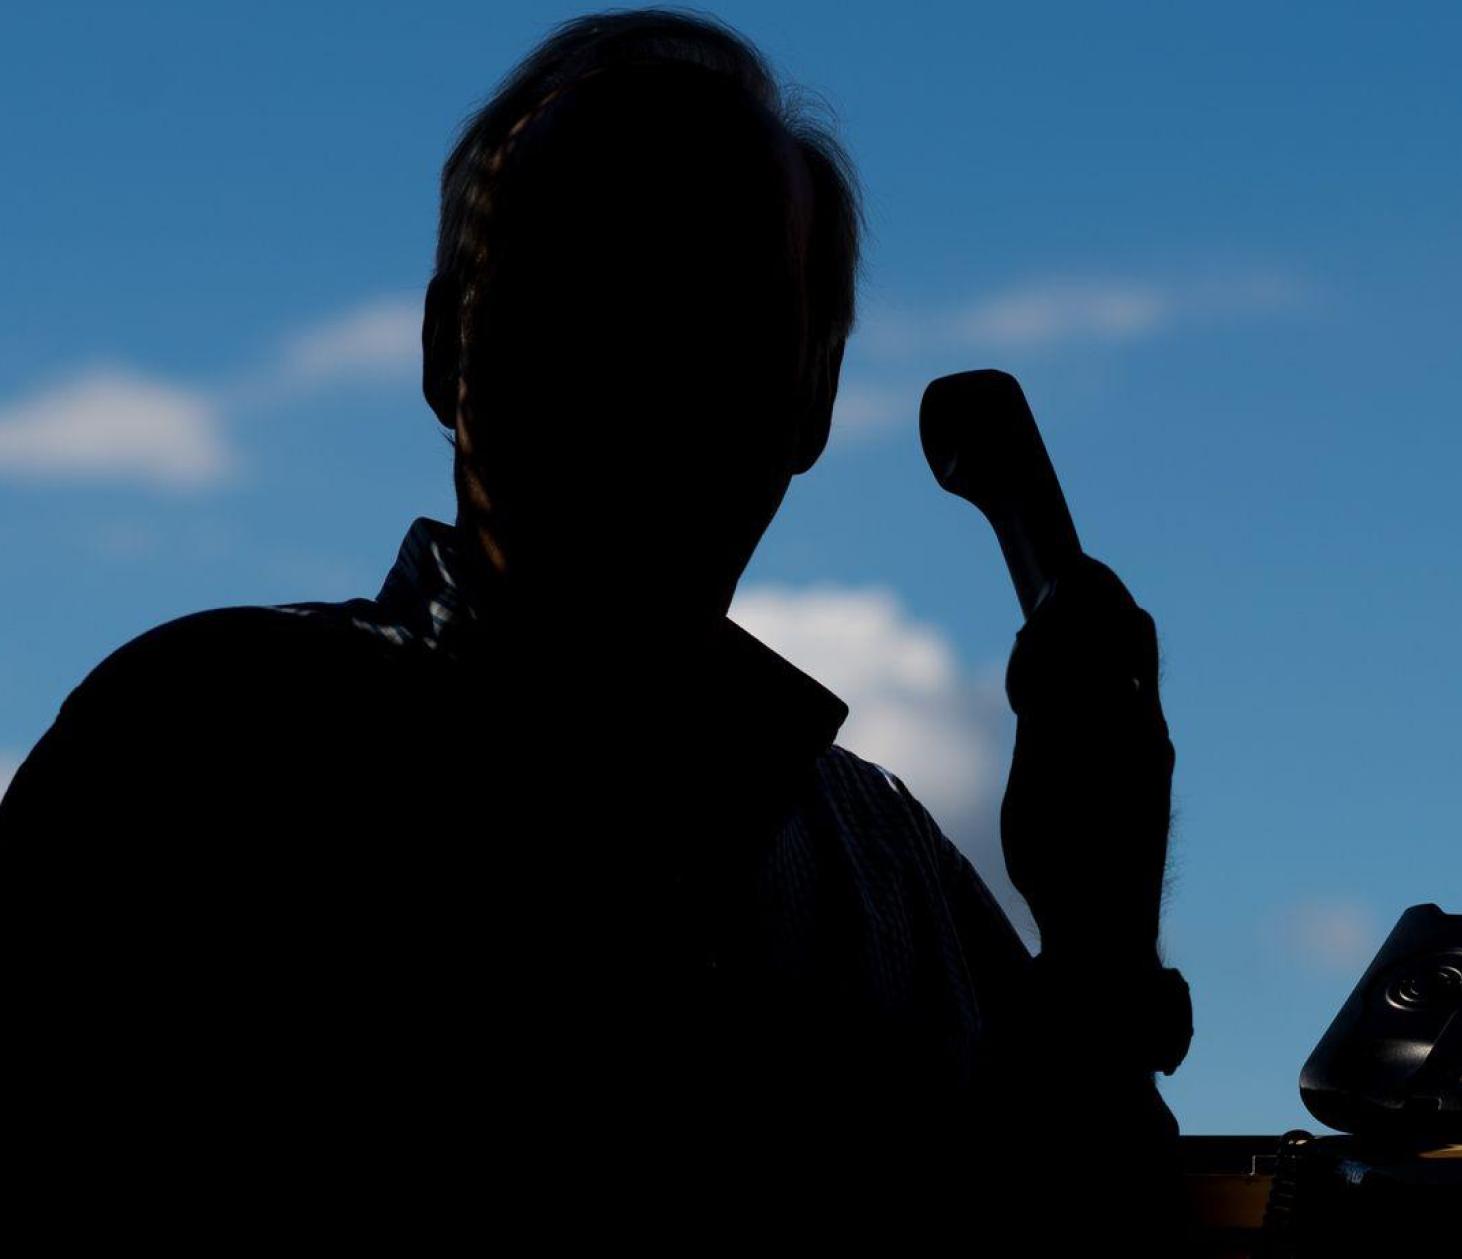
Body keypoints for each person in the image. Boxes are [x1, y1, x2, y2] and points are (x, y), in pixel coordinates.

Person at [1, 10, 1189, 1251]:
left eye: (718, 301)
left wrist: (1101, 949)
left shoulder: (896, 872)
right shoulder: (199, 750)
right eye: (577, 278)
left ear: (813, 403)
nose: (644, 355)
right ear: (442, 350)